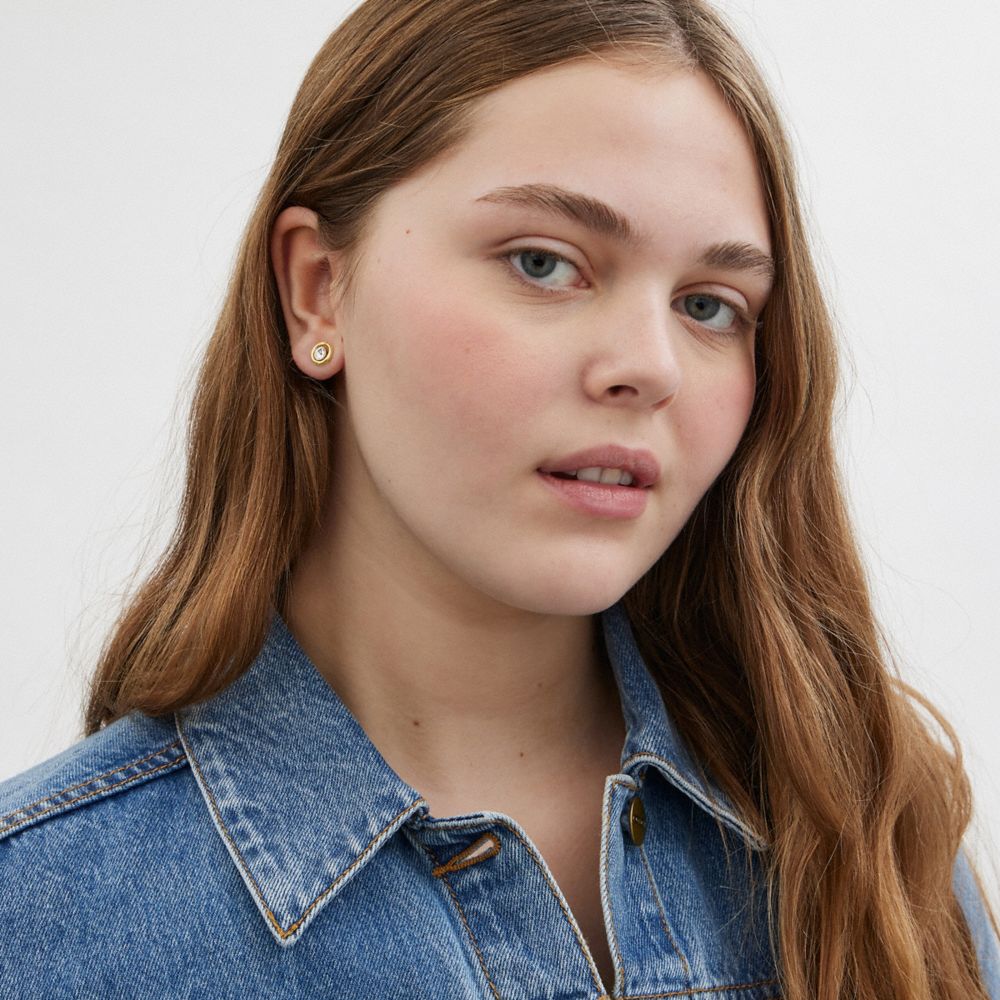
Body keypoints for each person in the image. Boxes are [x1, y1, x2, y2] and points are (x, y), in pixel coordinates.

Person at [1, 0, 997, 997]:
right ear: (316, 288)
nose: (651, 366)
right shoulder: (40, 923)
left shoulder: (874, 845)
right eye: (544, 263)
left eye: (708, 305)